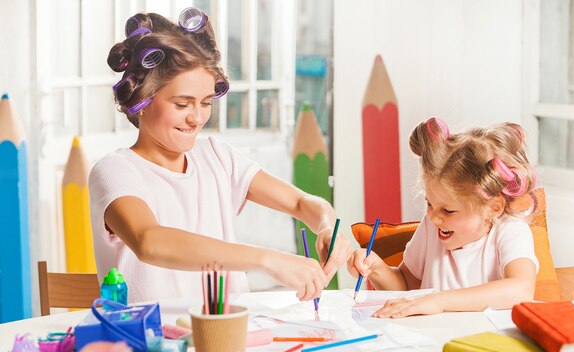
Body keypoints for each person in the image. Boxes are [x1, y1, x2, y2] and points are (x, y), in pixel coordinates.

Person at [89, 8, 350, 304]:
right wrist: (267, 260)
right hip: (157, 344)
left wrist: (327, 226)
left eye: (205, 102)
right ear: (143, 100)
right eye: (182, 104)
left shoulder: (217, 157)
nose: (197, 118)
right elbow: (150, 241)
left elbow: (303, 203)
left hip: (229, 334)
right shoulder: (115, 170)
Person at [348, 117, 539, 318]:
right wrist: (376, 268)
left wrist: (440, 301)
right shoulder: (432, 228)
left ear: (493, 207)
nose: (435, 218)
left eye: (448, 211)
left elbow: (521, 290)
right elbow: (406, 286)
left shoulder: (509, 230)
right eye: (429, 204)